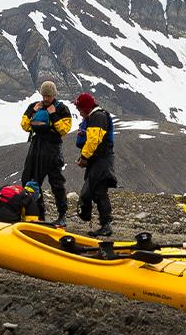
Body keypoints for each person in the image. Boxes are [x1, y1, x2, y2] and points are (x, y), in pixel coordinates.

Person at [19, 81, 73, 225]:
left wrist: (53, 115)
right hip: (36, 147)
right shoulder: (35, 106)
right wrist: (33, 112)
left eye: (49, 96)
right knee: (29, 180)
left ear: (54, 94)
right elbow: (24, 125)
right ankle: (38, 214)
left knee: (56, 182)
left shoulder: (62, 109)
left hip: (52, 149)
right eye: (44, 95)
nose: (46, 98)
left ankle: (62, 215)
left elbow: (64, 129)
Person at [73, 93, 117, 237]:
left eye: (80, 109)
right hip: (98, 160)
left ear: (86, 107)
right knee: (99, 192)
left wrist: (84, 158)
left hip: (102, 160)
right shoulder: (94, 117)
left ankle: (97, 220)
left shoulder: (98, 117)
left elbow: (93, 140)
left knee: (90, 193)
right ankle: (105, 225)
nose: (80, 113)